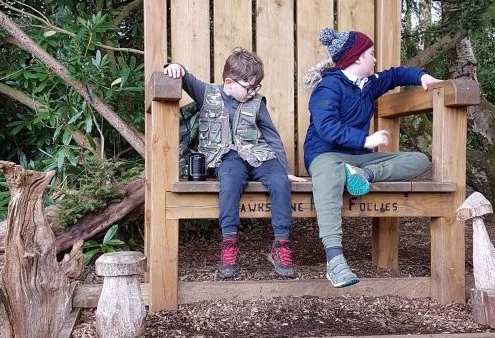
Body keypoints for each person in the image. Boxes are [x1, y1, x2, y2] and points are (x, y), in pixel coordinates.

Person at [303, 28, 441, 288]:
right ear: (356, 59)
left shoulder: (368, 84)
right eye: (371, 54)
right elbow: (326, 127)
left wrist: (421, 76)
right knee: (329, 174)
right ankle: (335, 260)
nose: (375, 59)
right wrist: (366, 141)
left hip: (359, 161)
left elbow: (395, 75)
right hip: (325, 156)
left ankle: (363, 176)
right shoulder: (328, 88)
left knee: (419, 160)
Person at [164, 48, 307, 279]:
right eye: (248, 87)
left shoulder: (257, 103)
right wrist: (173, 66)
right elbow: (184, 76)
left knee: (280, 182)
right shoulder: (207, 93)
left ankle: (281, 245)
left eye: (256, 87)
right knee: (229, 182)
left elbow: (271, 136)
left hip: (259, 155)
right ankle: (229, 244)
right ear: (229, 82)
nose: (252, 92)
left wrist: (285, 170)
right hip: (228, 158)